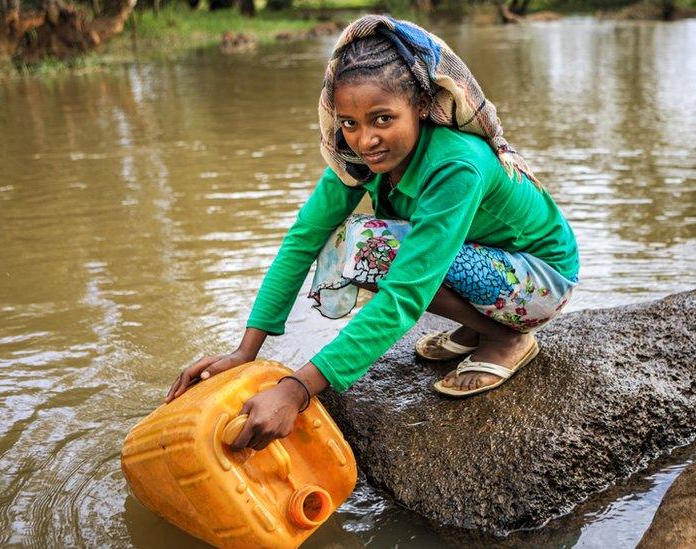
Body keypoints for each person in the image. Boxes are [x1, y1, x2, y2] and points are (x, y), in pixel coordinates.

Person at [164, 16, 579, 452]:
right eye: (350, 123)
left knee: (375, 247)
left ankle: (506, 336)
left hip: (540, 279)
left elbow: (405, 292)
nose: (366, 141)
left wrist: (296, 389)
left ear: (421, 105)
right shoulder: (357, 161)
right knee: (358, 242)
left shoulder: (457, 164)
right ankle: (479, 329)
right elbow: (302, 240)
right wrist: (244, 352)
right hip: (483, 260)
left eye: (383, 119)